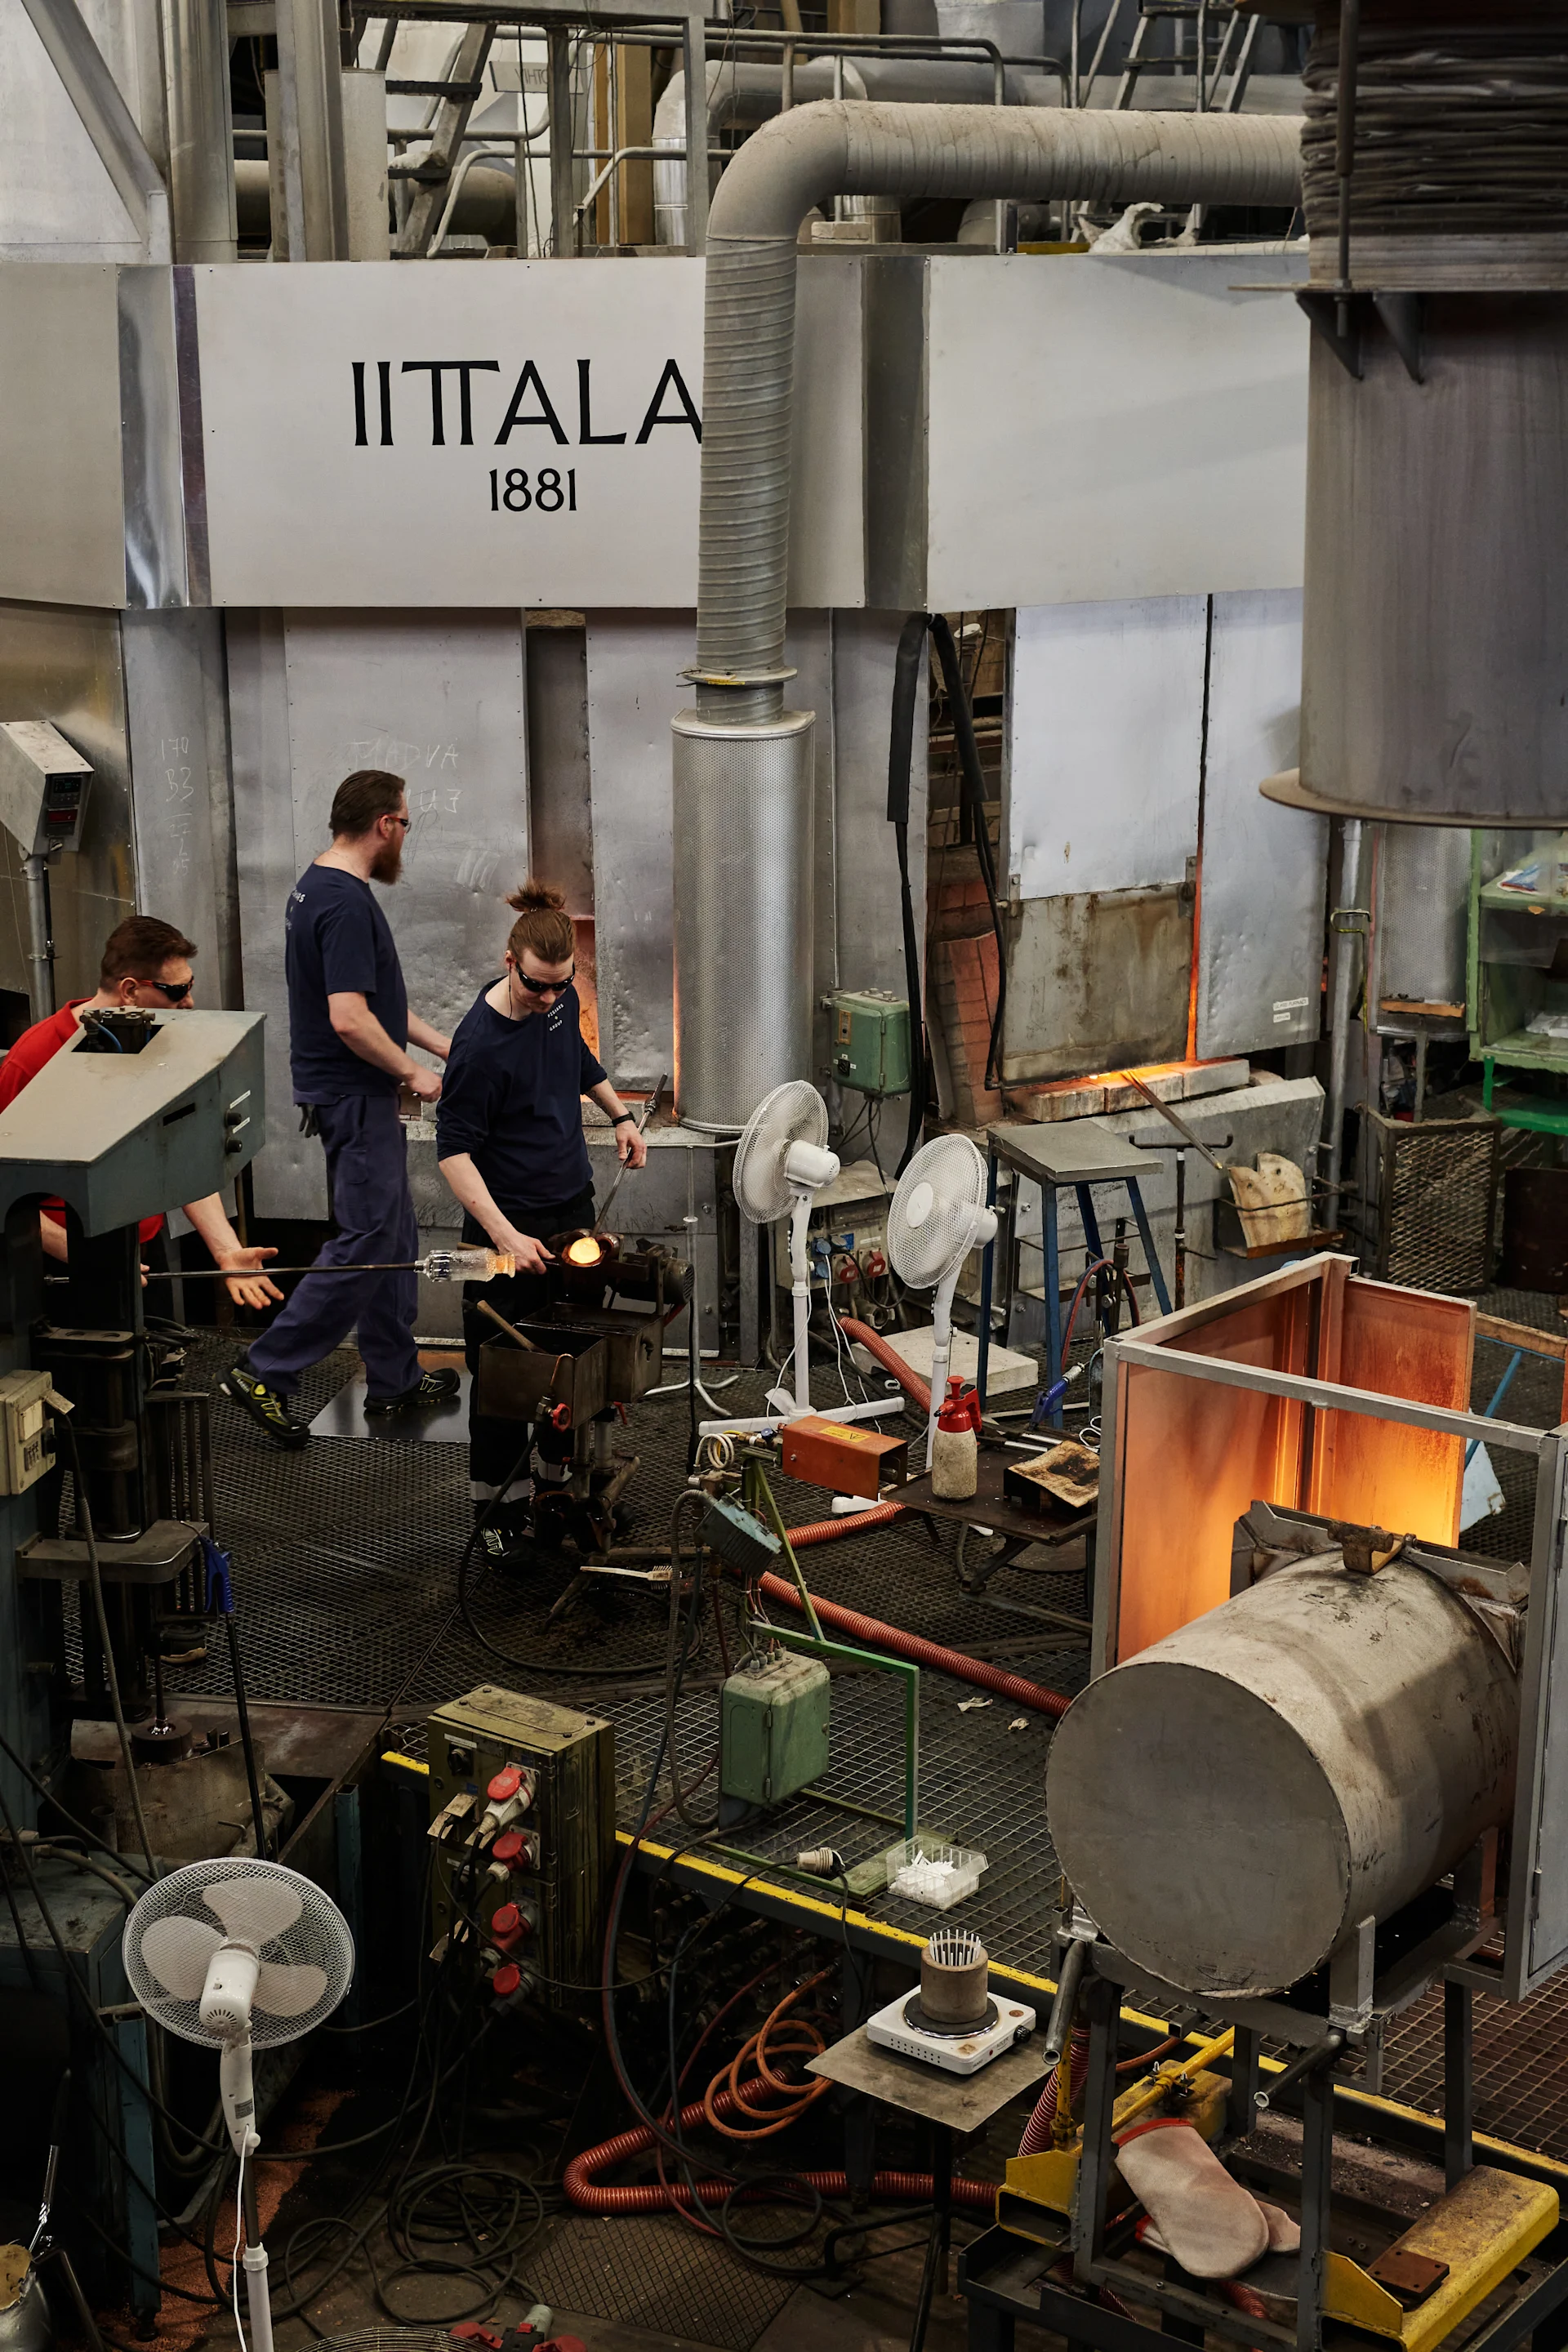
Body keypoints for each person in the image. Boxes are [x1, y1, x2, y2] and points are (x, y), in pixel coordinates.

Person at [222, 769, 458, 1449]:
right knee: (367, 1240)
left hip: (349, 1092)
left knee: (392, 1237)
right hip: (354, 1094)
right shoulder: (348, 904)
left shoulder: (315, 886)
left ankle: (393, 1379)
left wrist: (447, 1045)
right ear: (384, 824)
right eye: (406, 823)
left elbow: (373, 1002)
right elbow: (351, 1019)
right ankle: (266, 1369)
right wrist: (415, 1072)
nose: (405, 836)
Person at [436, 881, 648, 1548]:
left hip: (571, 1212)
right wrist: (505, 1235)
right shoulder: (479, 1047)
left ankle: (557, 1491)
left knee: (568, 1363)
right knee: (506, 1379)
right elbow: (453, 1154)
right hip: (504, 1234)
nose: (549, 999)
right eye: (536, 987)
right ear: (509, 962)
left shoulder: (559, 1003)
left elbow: (577, 1059)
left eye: (561, 985)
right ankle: (496, 1517)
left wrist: (620, 1115)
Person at [0, 915, 282, 1308]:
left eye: (190, 987)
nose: (189, 1003)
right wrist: (84, 1256)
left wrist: (226, 1251)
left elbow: (181, 1154)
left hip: (144, 1248)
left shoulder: (163, 1046)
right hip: (59, 1263)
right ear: (130, 990)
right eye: (176, 991)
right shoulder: (32, 1060)